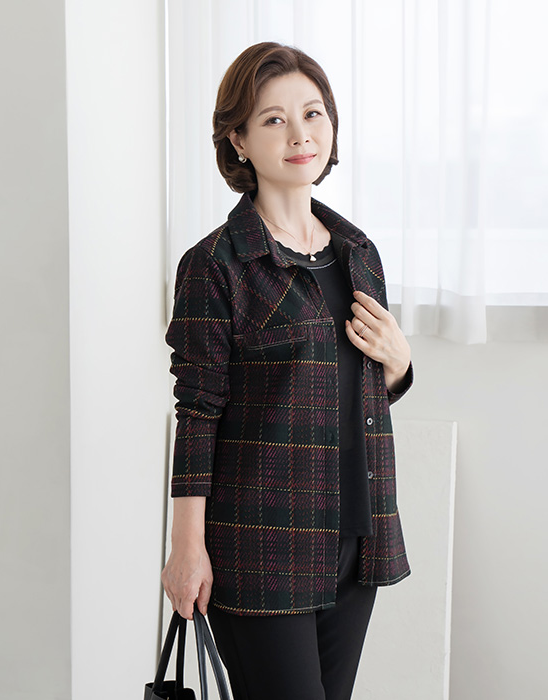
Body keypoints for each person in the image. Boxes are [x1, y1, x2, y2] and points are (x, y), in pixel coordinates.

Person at [161, 42, 413, 700]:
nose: (301, 134)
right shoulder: (216, 264)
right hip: (261, 544)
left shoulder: (359, 254)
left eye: (313, 113)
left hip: (355, 537)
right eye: (274, 119)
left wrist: (399, 366)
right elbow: (198, 411)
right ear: (239, 140)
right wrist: (186, 547)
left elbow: (350, 394)